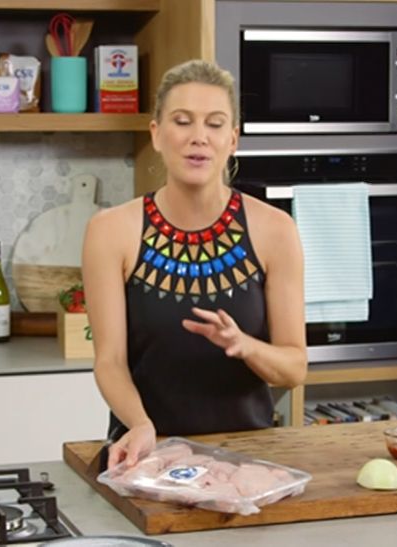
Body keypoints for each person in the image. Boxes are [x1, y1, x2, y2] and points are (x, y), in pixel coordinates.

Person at [82, 59, 307, 471]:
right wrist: (141, 425)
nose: (198, 137)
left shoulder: (276, 231)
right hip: (145, 457)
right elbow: (109, 361)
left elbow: (294, 367)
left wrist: (246, 346)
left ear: (233, 139)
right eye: (182, 121)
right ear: (156, 134)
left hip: (246, 463)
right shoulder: (110, 231)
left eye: (215, 124)